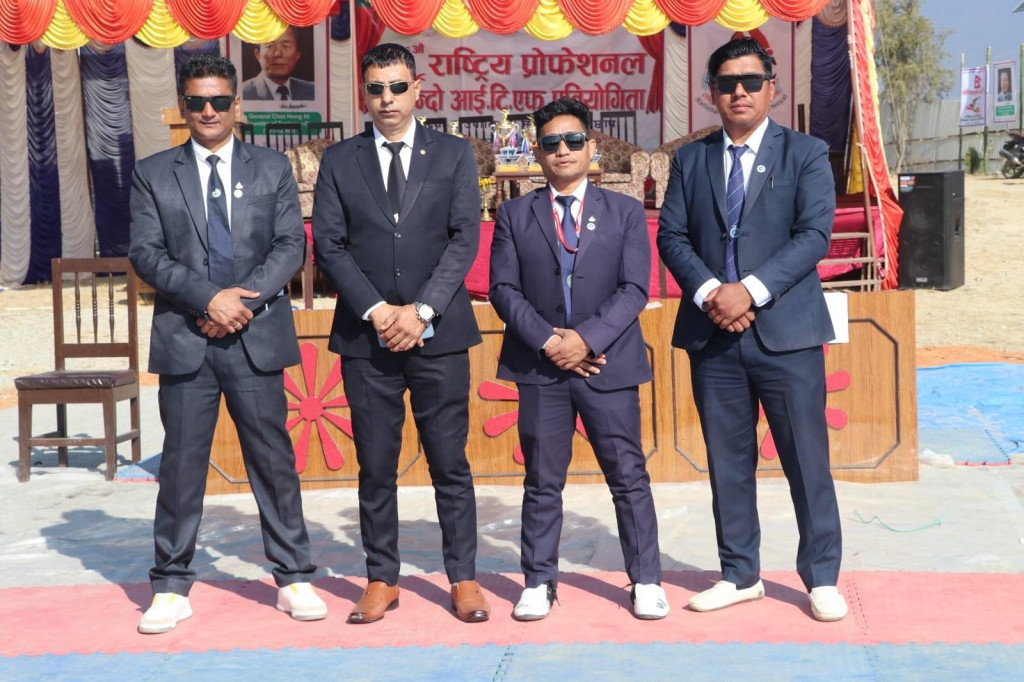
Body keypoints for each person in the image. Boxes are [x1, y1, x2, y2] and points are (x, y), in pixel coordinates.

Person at [128, 54, 326, 634]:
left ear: (237, 105)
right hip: (186, 338)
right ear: (183, 106)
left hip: (255, 335)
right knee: (181, 465)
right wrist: (208, 300)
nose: (209, 111)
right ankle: (170, 584)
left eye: (219, 101)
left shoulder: (271, 168)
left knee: (272, 461)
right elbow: (145, 253)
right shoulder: (153, 173)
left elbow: (291, 246)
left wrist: (241, 303)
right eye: (197, 102)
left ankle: (294, 577)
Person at [656, 37, 847, 622]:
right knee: (727, 461)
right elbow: (672, 236)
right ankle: (740, 574)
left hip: (786, 335)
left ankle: (821, 578)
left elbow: (814, 236)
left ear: (773, 89)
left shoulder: (806, 152)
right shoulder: (690, 159)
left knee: (806, 460)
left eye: (751, 81)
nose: (739, 91)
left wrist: (751, 290)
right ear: (710, 94)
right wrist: (713, 293)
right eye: (726, 83)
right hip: (714, 334)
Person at [311, 43, 490, 624]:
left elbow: (465, 238)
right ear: (364, 94)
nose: (386, 99)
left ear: (418, 89)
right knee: (375, 467)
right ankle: (381, 579)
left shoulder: (454, 154)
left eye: (396, 87)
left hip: (439, 335)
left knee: (450, 464)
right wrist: (378, 311)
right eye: (375, 89)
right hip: (367, 339)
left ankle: (463, 577)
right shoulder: (340, 160)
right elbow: (329, 244)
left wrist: (422, 312)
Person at [489, 98, 668, 621]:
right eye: (551, 143)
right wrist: (551, 343)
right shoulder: (515, 214)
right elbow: (503, 289)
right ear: (537, 151)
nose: (562, 150)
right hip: (540, 365)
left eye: (572, 141)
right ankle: (538, 581)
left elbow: (635, 288)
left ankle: (646, 580)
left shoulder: (625, 212)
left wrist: (586, 341)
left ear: (592, 147)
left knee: (628, 476)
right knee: (542, 480)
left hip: (607, 363)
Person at [241, 26, 315, 101]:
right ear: (258, 54)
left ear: (297, 54)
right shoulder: (243, 93)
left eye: (285, 46)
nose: (278, 53)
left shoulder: (313, 91)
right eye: (269, 46)